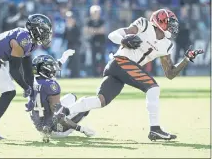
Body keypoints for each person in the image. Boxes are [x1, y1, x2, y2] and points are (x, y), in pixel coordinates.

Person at [53, 9, 204, 141]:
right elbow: (113, 35)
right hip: (121, 62)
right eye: (169, 22)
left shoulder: (167, 45)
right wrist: (124, 39)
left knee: (100, 101)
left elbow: (170, 73)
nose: (172, 26)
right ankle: (155, 129)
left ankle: (65, 112)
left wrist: (186, 59)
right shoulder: (144, 25)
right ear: (160, 21)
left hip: (123, 69)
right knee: (153, 87)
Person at [25, 53, 94, 143]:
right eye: (51, 67)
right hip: (56, 129)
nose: (54, 69)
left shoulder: (30, 82)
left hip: (40, 125)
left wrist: (62, 59)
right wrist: (81, 129)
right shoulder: (51, 85)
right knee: (86, 102)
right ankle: (61, 130)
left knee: (71, 97)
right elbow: (59, 115)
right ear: (44, 69)